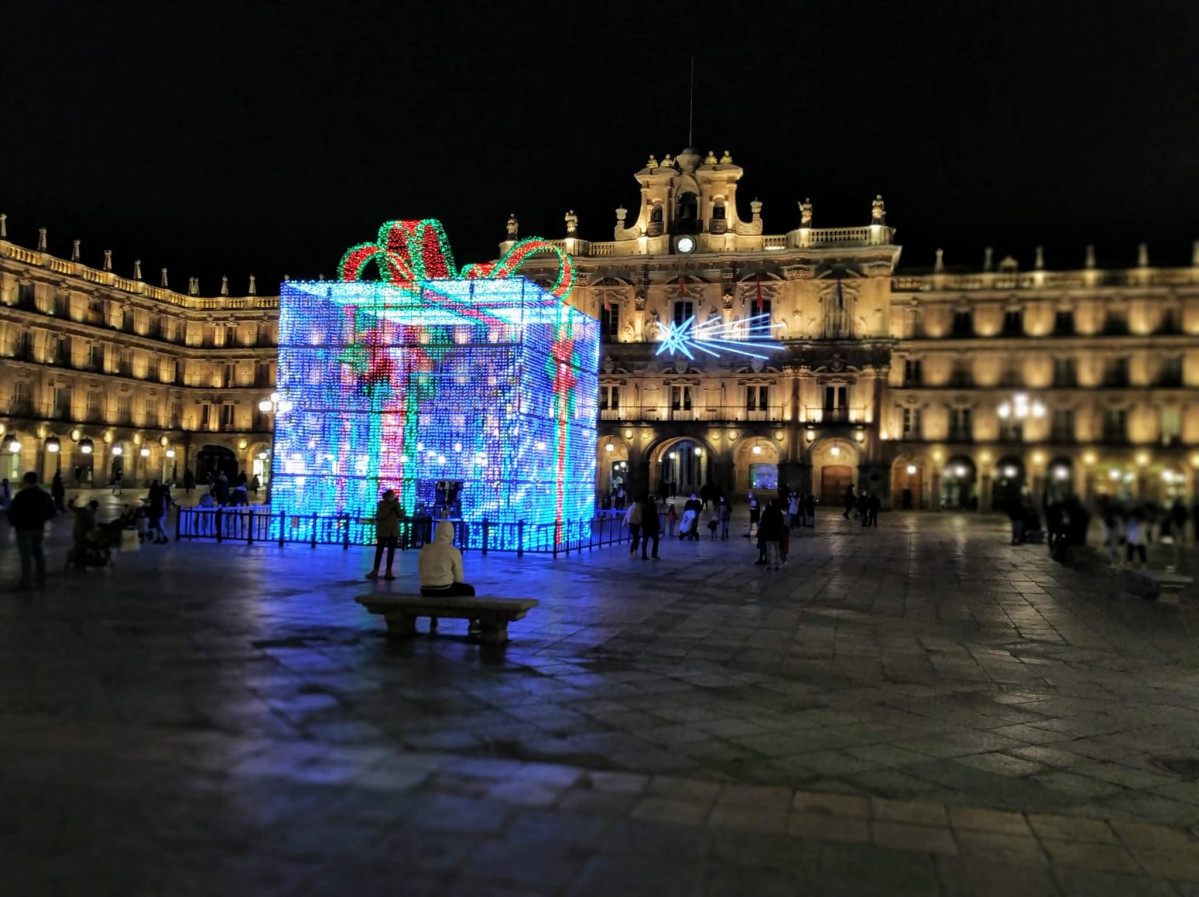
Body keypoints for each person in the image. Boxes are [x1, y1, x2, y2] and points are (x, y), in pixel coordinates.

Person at [8, 472, 56, 589]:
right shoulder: (44, 495)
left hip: (23, 529)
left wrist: (15, 523)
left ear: (25, 481)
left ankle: (26, 582)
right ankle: (41, 581)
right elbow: (52, 512)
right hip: (38, 528)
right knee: (39, 554)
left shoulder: (21, 495)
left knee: (26, 557)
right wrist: (41, 519)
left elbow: (12, 512)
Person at [418, 520, 474, 596]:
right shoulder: (453, 551)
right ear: (451, 533)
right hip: (444, 589)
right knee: (469, 590)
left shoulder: (425, 549)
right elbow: (458, 578)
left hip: (425, 590)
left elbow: (420, 570)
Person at [366, 489, 403, 581]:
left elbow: (401, 515)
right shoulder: (382, 504)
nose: (392, 498)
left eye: (393, 496)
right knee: (379, 551)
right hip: (383, 531)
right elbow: (381, 515)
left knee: (391, 552)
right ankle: (375, 570)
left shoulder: (396, 505)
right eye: (391, 496)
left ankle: (389, 571)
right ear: (386, 496)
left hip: (393, 531)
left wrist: (396, 506)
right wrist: (391, 506)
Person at [759, 498, 785, 570]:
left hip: (768, 534)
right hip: (776, 534)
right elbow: (781, 524)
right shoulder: (779, 513)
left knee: (768, 550)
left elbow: (763, 522)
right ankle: (777, 564)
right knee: (777, 550)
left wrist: (763, 530)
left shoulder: (767, 512)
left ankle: (769, 565)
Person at [640, 494, 660, 560]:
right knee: (656, 540)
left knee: (645, 541)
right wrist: (658, 525)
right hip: (653, 526)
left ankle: (644, 554)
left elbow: (642, 516)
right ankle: (654, 554)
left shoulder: (644, 506)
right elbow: (655, 517)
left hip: (645, 526)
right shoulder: (653, 506)